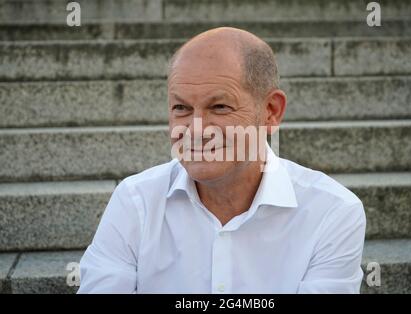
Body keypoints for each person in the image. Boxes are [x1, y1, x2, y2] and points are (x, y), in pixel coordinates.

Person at [78, 27, 366, 294]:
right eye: (181, 108)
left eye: (219, 107)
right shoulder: (135, 201)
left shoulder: (333, 213)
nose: (197, 130)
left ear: (271, 112)